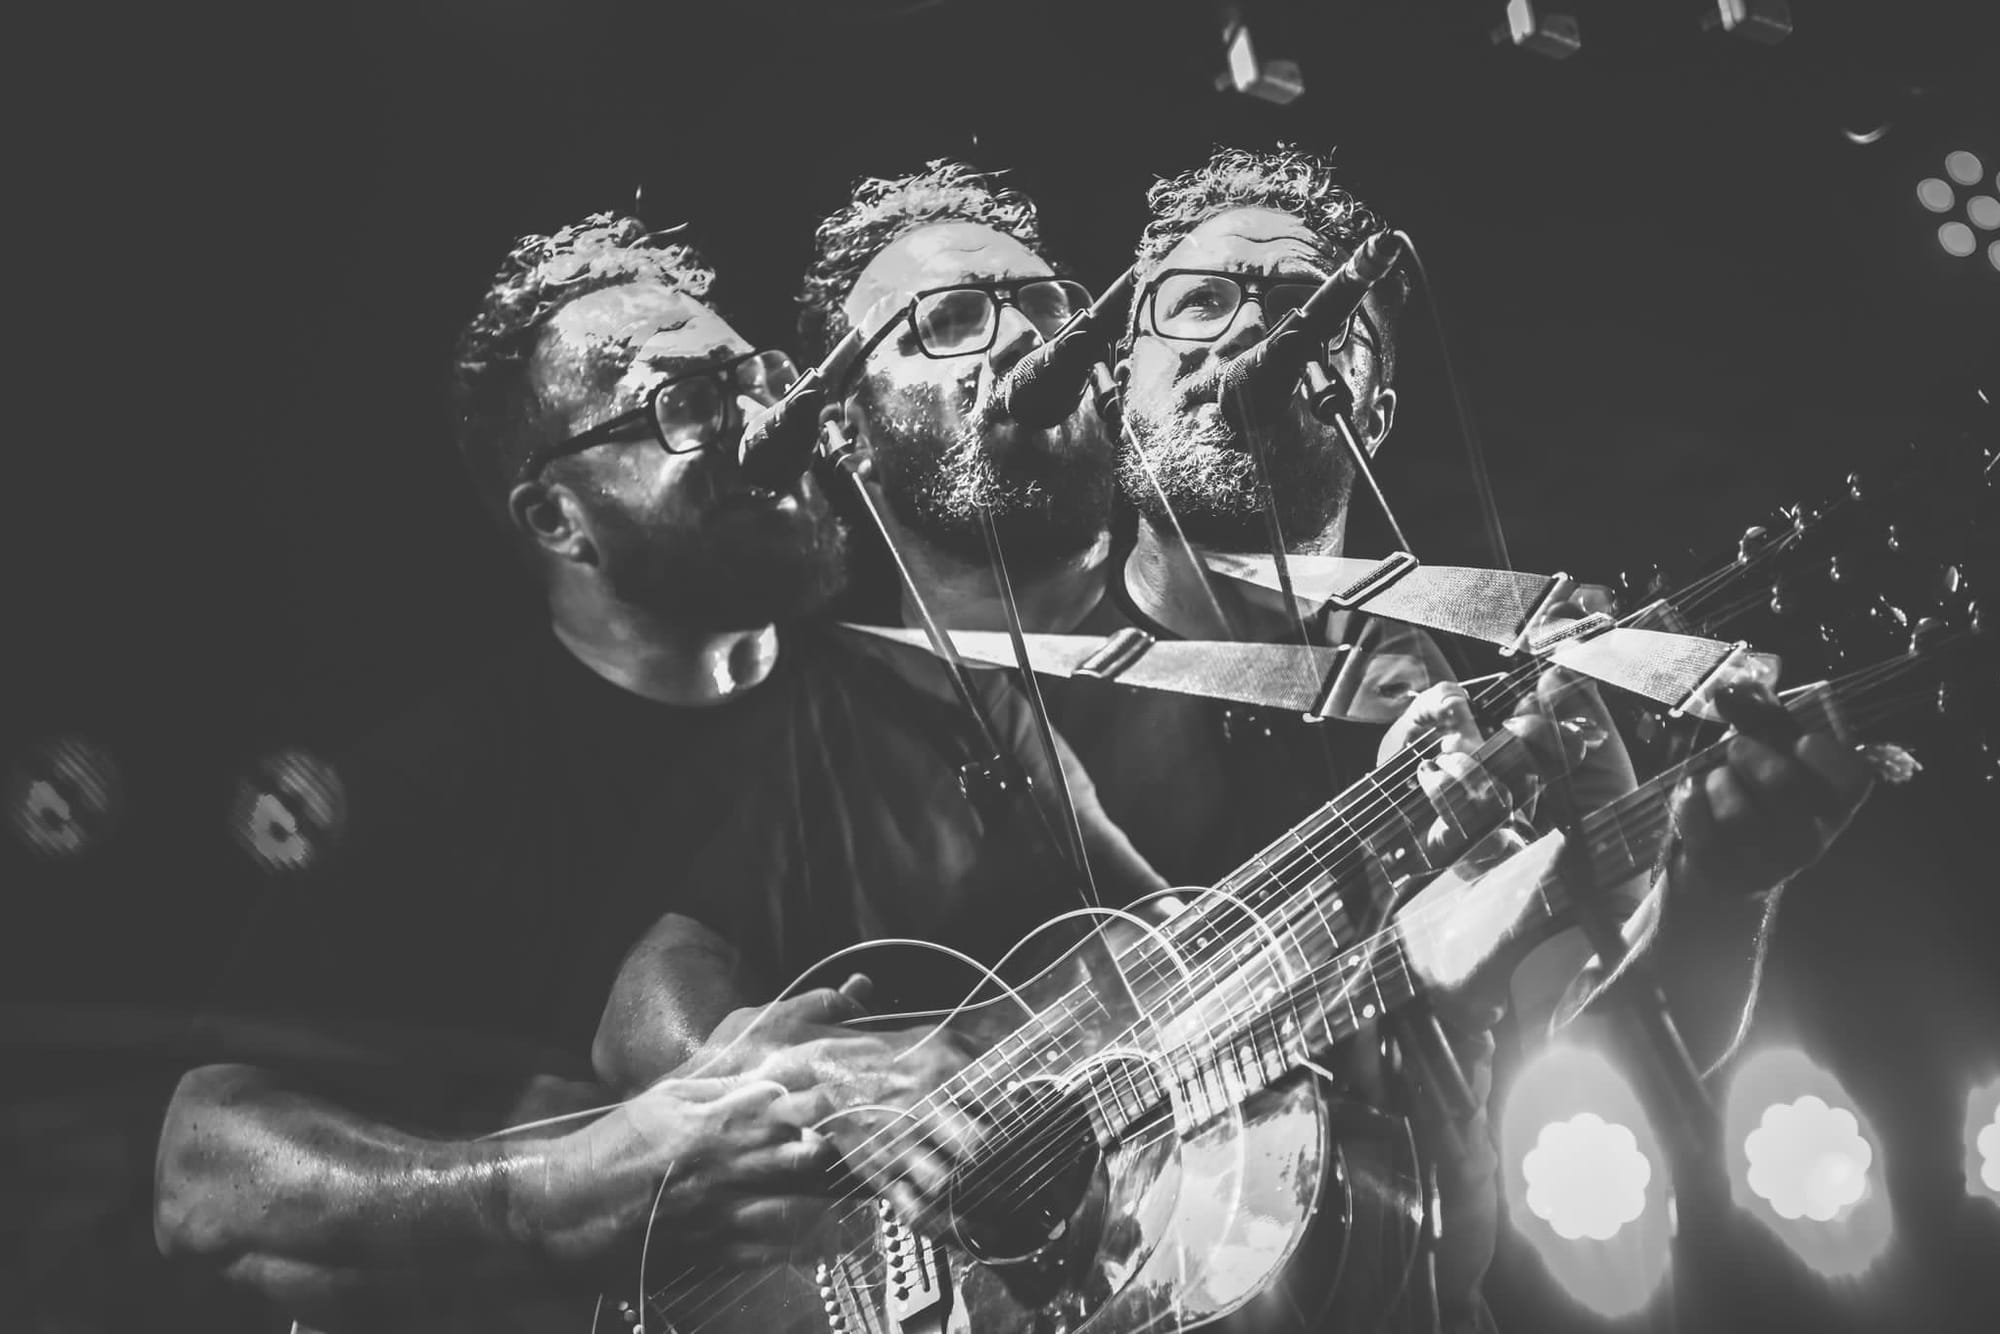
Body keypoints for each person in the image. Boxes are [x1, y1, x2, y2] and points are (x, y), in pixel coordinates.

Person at [155, 213, 1160, 1333]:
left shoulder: (947, 702)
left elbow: (1152, 944)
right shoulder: (434, 783)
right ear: (557, 516)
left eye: (752, 377)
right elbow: (201, 1170)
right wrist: (567, 1188)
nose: (763, 420)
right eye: (683, 400)